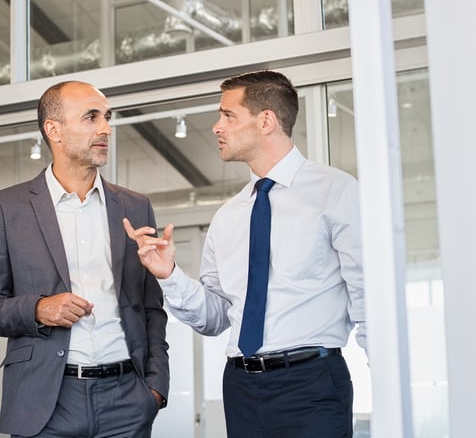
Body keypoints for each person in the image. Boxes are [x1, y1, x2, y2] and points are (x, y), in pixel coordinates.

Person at [124, 70, 365, 438]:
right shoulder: (229, 216)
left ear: (265, 120)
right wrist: (169, 274)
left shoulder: (336, 192)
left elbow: (369, 297)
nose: (217, 127)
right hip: (240, 387)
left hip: (311, 386)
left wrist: (390, 380)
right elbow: (216, 317)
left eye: (228, 115)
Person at [0, 80, 169, 438]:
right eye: (91, 117)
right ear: (54, 130)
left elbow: (152, 308)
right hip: (45, 403)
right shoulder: (7, 207)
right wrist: (38, 309)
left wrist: (154, 388)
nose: (106, 128)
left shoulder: (136, 206)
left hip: (127, 399)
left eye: (107, 117)